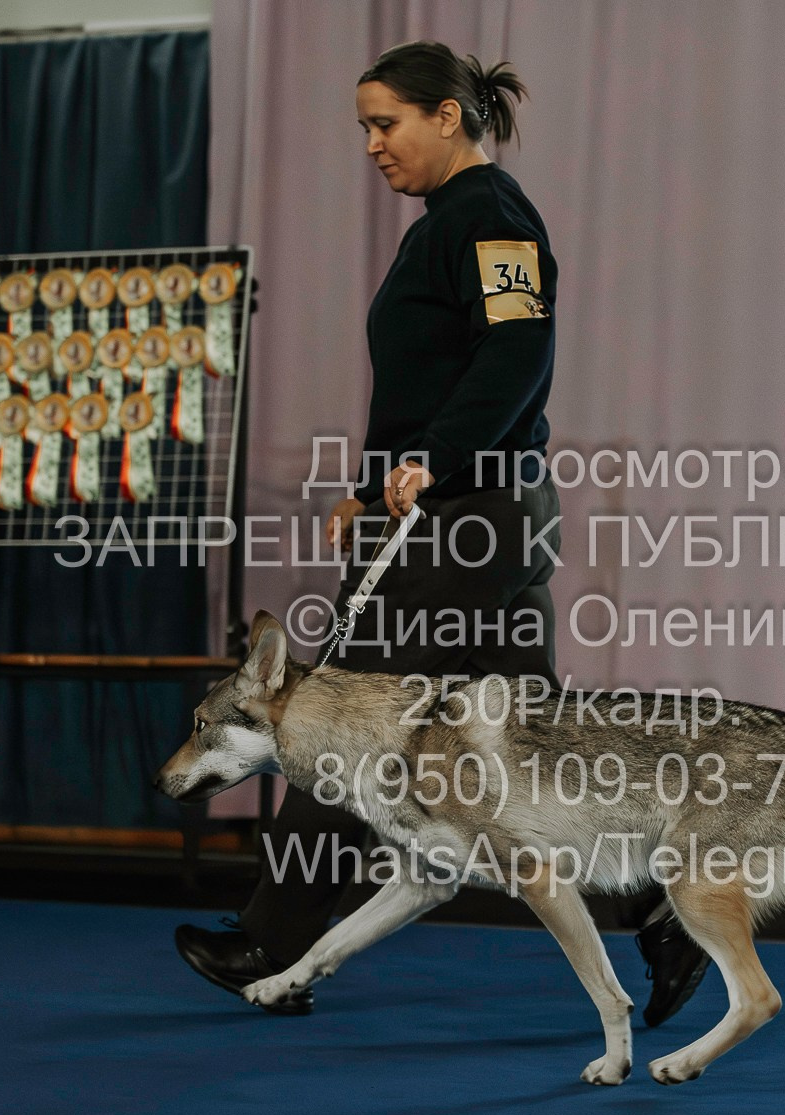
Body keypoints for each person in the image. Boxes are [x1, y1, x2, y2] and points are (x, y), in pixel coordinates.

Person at [173, 41, 709, 1025]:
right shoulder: (451, 223)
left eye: (386, 124)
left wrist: (434, 462)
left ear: (447, 117)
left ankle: (272, 940)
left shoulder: (488, 216)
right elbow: (439, 377)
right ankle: (665, 911)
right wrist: (373, 485)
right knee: (536, 755)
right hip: (482, 517)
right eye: (363, 128)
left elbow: (517, 353)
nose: (372, 145)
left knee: (330, 719)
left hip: (461, 524)